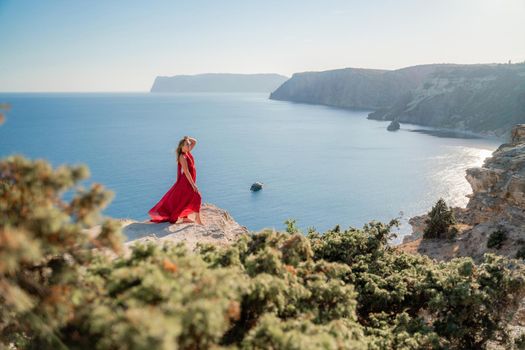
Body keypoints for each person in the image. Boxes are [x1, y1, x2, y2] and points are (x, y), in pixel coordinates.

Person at [148, 136, 204, 225]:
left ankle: (185, 218)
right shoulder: (183, 156)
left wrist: (187, 138)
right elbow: (186, 172)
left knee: (185, 198)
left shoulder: (187, 152)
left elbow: (195, 141)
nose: (189, 146)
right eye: (187, 144)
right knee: (197, 196)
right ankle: (198, 219)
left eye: (189, 144)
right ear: (182, 146)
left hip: (189, 180)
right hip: (186, 181)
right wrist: (193, 185)